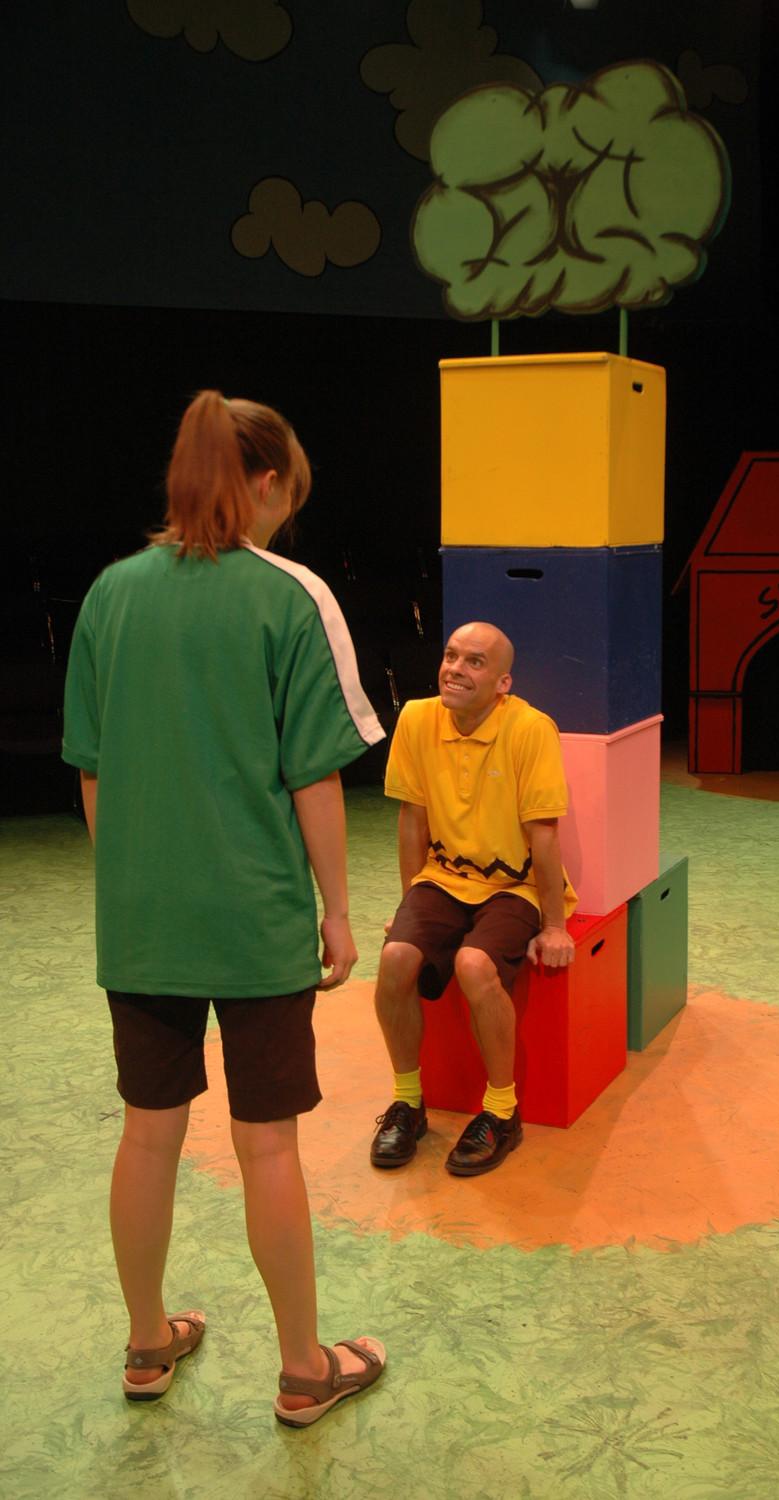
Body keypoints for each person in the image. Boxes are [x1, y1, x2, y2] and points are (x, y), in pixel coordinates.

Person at [62, 390, 388, 1427]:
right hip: (255, 922)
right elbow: (314, 778)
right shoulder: (289, 597)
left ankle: (146, 1344)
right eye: (290, 494)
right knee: (268, 1147)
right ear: (264, 483)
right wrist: (337, 911)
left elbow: (92, 768)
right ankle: (303, 1370)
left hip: (142, 924)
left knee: (147, 1136)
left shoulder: (110, 593)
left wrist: (134, 886)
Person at [370, 621, 577, 1176]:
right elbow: (412, 819)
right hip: (442, 877)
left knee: (474, 963)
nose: (455, 669)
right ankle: (408, 1103)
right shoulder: (417, 718)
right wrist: (409, 905)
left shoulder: (531, 729)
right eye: (451, 655)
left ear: (503, 682)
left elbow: (544, 834)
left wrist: (554, 925)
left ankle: (502, 1112)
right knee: (395, 957)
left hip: (515, 885)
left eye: (474, 662)